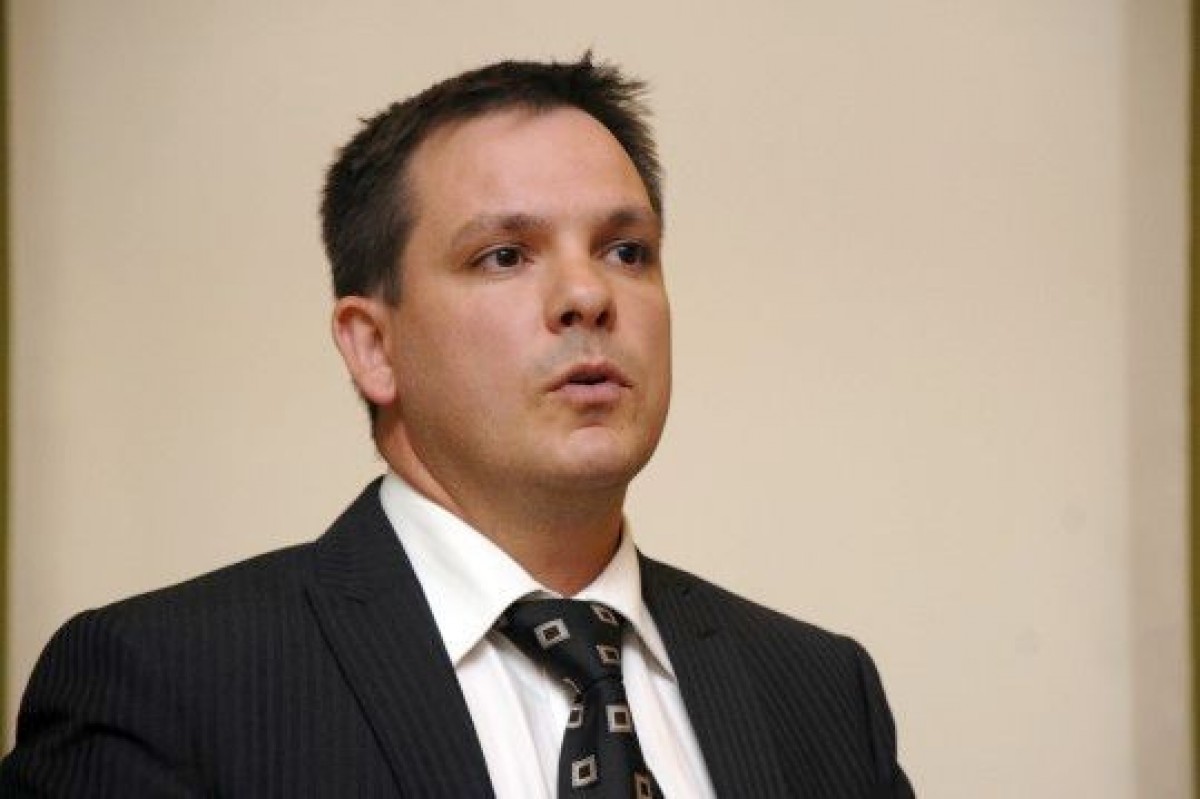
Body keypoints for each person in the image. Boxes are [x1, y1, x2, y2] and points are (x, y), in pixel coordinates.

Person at [1, 55, 914, 797]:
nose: (588, 294)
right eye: (505, 255)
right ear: (374, 346)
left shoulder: (821, 693)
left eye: (626, 250)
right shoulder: (167, 683)